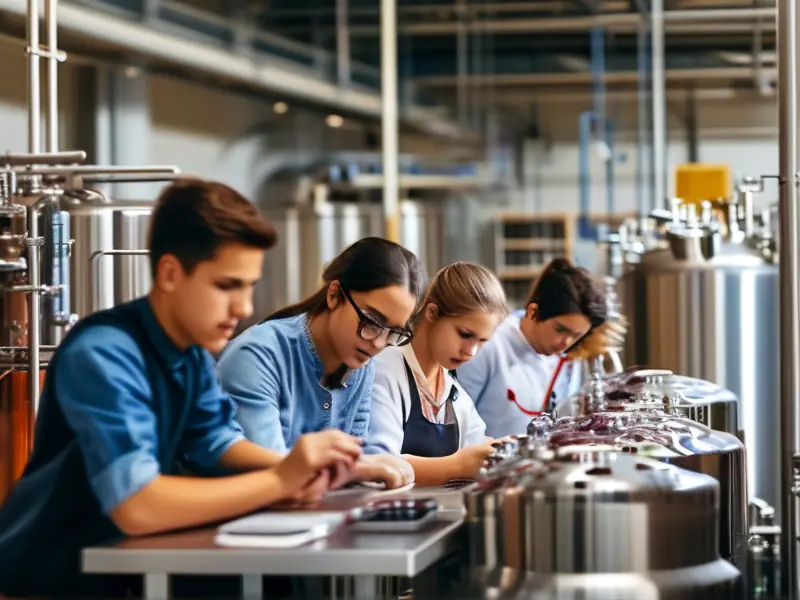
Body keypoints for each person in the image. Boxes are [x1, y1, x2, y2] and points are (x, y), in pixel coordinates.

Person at [0, 180, 362, 598]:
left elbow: (216, 442)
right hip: (52, 577)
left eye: (249, 286)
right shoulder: (103, 353)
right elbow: (137, 504)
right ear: (170, 273)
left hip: (129, 562)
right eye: (227, 285)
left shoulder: (190, 353)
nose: (244, 308)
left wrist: (308, 471)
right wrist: (281, 479)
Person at [216, 236, 423, 489]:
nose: (379, 343)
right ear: (334, 295)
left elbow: (357, 458)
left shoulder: (361, 365)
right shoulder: (256, 356)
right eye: (371, 322)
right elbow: (272, 471)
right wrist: (359, 469)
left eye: (393, 332)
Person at [365, 262, 507, 486]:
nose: (471, 351)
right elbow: (377, 467)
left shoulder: (454, 395)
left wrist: (502, 451)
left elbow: (475, 445)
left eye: (482, 341)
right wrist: (457, 466)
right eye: (464, 334)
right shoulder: (384, 370)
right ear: (432, 313)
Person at [457, 257, 608, 438]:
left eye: (577, 336)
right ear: (533, 312)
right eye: (560, 329)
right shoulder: (488, 345)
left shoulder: (566, 358)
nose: (566, 343)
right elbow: (455, 426)